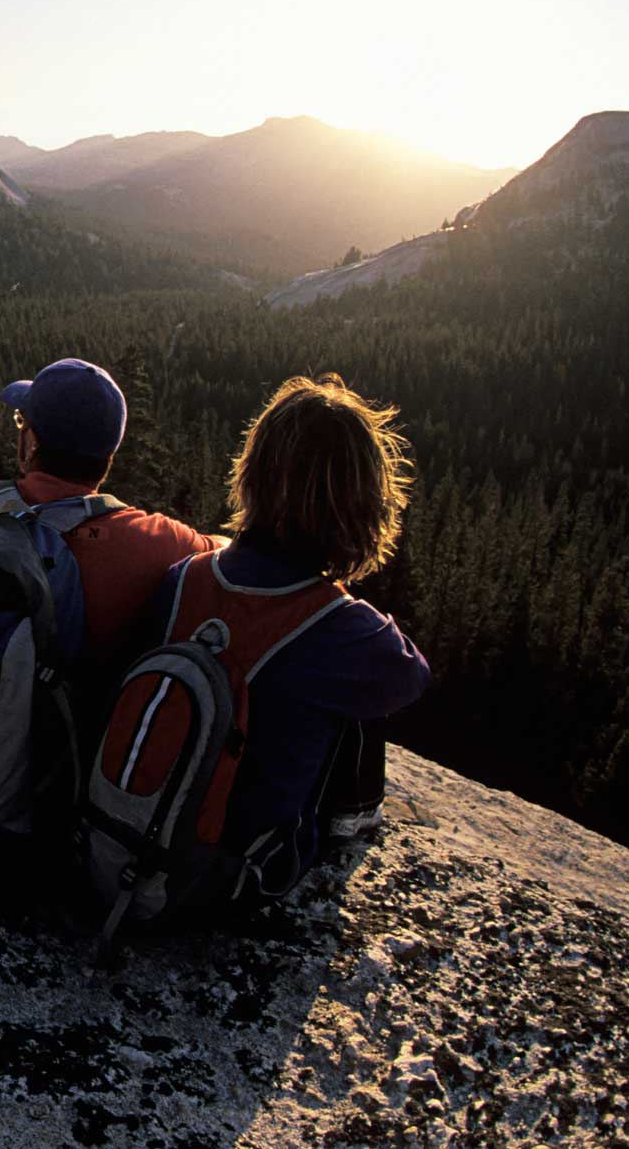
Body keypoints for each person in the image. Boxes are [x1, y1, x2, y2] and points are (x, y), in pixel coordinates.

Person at [153, 372, 430, 902]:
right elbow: (410, 675)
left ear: (251, 475)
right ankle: (349, 832)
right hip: (235, 878)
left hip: (139, 840)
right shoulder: (343, 630)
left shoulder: (182, 578)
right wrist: (340, 596)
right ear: (362, 503)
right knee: (355, 710)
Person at [0, 357, 219, 668]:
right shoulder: (154, 543)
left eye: (21, 421)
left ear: (31, 443)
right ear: (109, 456)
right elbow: (224, 554)